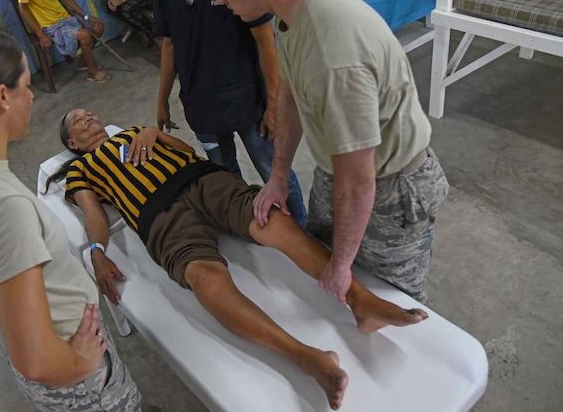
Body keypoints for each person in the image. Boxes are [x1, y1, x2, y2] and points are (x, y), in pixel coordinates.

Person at [47, 108, 429, 411]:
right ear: (72, 143)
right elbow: (94, 214)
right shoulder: (81, 170)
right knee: (205, 280)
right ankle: (307, 357)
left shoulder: (132, 133)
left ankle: (360, 301)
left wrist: (156, 133)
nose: (89, 119)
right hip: (159, 216)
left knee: (272, 223)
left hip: (202, 180)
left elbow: (188, 153)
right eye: (78, 121)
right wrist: (96, 252)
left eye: (89, 113)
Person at [190, 0, 450, 304]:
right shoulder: (294, 9)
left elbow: (360, 179)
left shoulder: (334, 54)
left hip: (390, 185)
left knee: (388, 302)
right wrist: (278, 176)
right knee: (326, 275)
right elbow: (290, 96)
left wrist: (342, 265)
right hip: (340, 174)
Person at [0, 30, 141, 412]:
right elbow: (36, 360)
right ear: (3, 97)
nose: (32, 95)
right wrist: (80, 363)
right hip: (68, 355)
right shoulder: (5, 206)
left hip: (28, 329)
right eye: (25, 84)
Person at [133, 0, 307, 227]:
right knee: (224, 175)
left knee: (275, 173)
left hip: (248, 103)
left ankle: (302, 228)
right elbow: (168, 45)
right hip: (202, 106)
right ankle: (246, 228)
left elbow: (265, 41)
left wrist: (272, 106)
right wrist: (163, 99)